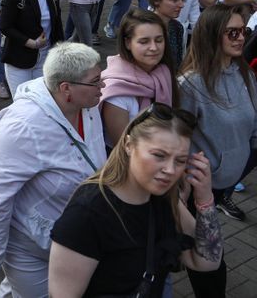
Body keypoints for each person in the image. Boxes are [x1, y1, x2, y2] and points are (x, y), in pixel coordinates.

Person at [49, 104, 223, 297]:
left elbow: (207, 262)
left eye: (180, 161)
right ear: (129, 145)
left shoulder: (166, 199)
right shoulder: (87, 214)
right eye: (159, 155)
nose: (171, 170)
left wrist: (205, 198)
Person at [0, 42, 107, 298]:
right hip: (28, 245)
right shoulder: (24, 127)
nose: (103, 87)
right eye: (95, 81)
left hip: (70, 239)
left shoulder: (88, 105)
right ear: (66, 89)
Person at [179, 5, 257, 295]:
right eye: (232, 33)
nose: (240, 38)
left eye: (244, 31)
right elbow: (179, 140)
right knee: (211, 267)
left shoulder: (244, 75)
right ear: (212, 35)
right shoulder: (190, 84)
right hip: (199, 191)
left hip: (223, 185)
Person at [100, 8, 178, 146]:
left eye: (159, 40)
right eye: (144, 42)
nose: (154, 48)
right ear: (127, 43)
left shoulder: (163, 73)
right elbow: (123, 148)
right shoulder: (115, 92)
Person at [0, 0, 63, 98]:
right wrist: (30, 43)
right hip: (19, 59)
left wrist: (61, 52)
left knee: (43, 102)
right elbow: (5, 26)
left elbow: (58, 25)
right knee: (23, 104)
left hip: (46, 58)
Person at [147, 0, 188, 69]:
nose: (181, 4)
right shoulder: (143, 27)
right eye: (175, 0)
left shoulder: (177, 27)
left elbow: (177, 65)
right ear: (157, 0)